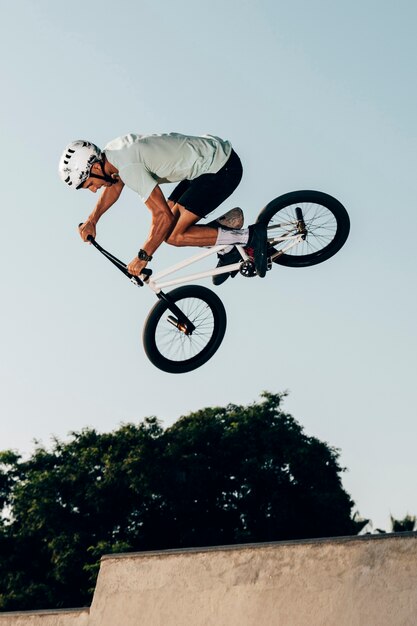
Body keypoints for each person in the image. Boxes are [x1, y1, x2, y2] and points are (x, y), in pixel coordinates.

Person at [58, 133, 268, 284]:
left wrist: (143, 257)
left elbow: (162, 216)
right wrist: (92, 220)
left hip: (221, 168)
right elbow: (114, 186)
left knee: (174, 235)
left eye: (89, 184)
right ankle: (229, 247)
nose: (93, 190)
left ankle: (248, 237)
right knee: (168, 231)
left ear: (95, 167)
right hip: (204, 164)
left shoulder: (129, 168)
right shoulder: (113, 154)